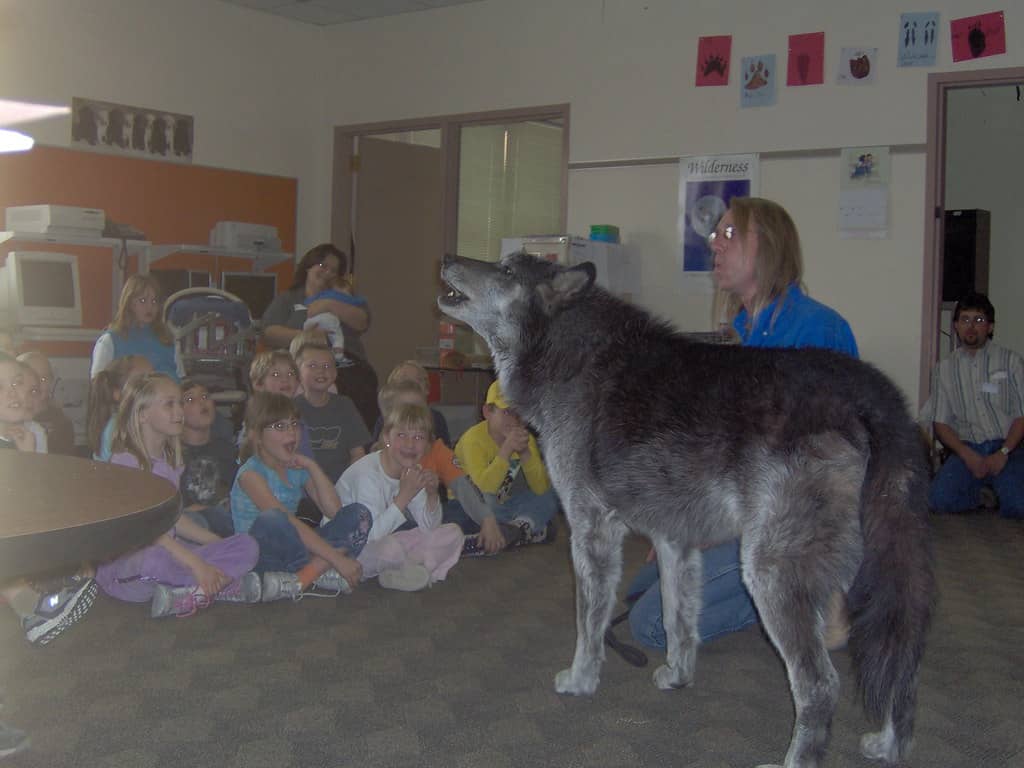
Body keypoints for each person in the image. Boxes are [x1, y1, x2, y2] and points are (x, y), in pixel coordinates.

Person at [625, 196, 858, 654]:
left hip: (797, 521)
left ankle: (808, 593)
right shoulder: (741, 332)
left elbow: (804, 468)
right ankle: (780, 596)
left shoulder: (815, 330)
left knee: (649, 625)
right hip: (751, 506)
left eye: (730, 234)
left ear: (768, 245)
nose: (715, 243)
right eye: (715, 234)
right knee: (643, 582)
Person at [93, 373, 262, 618]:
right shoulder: (125, 462)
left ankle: (193, 590)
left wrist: (214, 542)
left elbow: (173, 519)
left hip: (173, 554)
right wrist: (197, 564)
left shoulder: (170, 462)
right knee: (154, 560)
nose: (179, 411)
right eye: (169, 404)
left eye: (179, 403)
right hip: (128, 567)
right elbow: (147, 532)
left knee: (247, 545)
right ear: (142, 414)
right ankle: (213, 584)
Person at [229, 392, 370, 600]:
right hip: (262, 556)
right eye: (280, 427)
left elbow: (333, 510)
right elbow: (287, 522)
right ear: (257, 435)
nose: (292, 433)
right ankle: (320, 568)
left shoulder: (296, 467)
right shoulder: (251, 474)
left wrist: (312, 466)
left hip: (295, 551)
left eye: (294, 424)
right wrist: (337, 558)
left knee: (359, 514)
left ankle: (305, 575)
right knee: (274, 519)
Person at [0, 352, 98, 647]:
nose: (14, 393)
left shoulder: (28, 433)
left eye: (18, 383)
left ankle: (39, 603)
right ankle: (35, 611)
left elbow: (41, 501)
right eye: (1, 386)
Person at [338, 403, 464, 590]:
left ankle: (405, 570)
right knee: (391, 549)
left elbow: (429, 526)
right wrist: (404, 495)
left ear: (427, 445)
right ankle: (411, 568)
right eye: (401, 435)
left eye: (419, 437)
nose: (410, 444)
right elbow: (369, 536)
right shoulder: (368, 474)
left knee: (453, 533)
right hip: (349, 547)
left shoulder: (413, 471)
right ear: (387, 437)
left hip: (386, 540)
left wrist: (431, 495)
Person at [923, 291, 1024, 518]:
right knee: (938, 500)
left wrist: (1003, 452)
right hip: (968, 449)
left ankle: (1000, 490)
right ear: (956, 326)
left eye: (978, 320)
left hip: (1008, 448)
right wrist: (966, 454)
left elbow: (1022, 415)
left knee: (1019, 506)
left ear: (990, 327)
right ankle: (984, 495)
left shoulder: (1011, 361)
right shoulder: (945, 369)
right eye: (965, 320)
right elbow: (941, 423)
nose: (971, 327)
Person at [377, 379, 503, 555]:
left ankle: (458, 540)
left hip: (431, 520)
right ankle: (450, 544)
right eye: (406, 410)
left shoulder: (436, 449)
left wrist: (487, 519)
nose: (415, 416)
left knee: (483, 504)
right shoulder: (379, 456)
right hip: (391, 525)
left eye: (421, 409)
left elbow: (464, 486)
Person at [261, 243, 380, 428]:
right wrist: (307, 336)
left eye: (334, 271)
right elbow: (268, 332)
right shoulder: (289, 299)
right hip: (298, 362)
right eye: (323, 266)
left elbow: (362, 322)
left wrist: (329, 304)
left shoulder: (344, 296)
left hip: (345, 363)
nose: (328, 273)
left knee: (359, 385)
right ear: (309, 266)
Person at [454, 381, 559, 546]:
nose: (515, 420)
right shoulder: (472, 441)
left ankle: (514, 530)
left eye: (520, 414)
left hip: (506, 502)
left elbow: (540, 488)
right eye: (507, 412)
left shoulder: (526, 438)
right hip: (471, 504)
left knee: (553, 489)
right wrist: (506, 450)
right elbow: (482, 490)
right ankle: (528, 527)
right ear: (488, 412)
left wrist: (525, 454)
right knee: (485, 501)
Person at [292, 338, 370, 483]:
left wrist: (349, 484)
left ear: (335, 373)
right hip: (303, 484)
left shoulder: (345, 406)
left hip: (341, 483)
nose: (321, 371)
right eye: (313, 365)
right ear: (297, 373)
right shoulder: (290, 408)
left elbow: (358, 453)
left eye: (327, 366)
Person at [90, 273, 184, 381]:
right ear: (129, 302)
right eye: (143, 300)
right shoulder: (110, 340)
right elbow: (98, 384)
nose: (150, 307)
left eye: (154, 301)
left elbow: (182, 378)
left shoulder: (168, 339)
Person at [179, 378, 238, 536]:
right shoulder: (174, 453)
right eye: (190, 399)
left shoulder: (227, 449)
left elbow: (238, 492)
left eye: (205, 396)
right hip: (192, 526)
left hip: (228, 521)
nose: (201, 402)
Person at [87, 355, 154, 461]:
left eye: (153, 378)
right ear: (118, 394)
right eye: (142, 382)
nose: (154, 387)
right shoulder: (118, 427)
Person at [371, 360, 451, 448]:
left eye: (417, 381)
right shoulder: (385, 418)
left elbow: (445, 451)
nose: (411, 387)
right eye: (403, 382)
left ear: (427, 389)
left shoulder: (436, 418)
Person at [16, 351, 76, 455]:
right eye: (30, 378)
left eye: (43, 379)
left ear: (51, 382)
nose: (37, 384)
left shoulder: (61, 423)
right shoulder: (10, 417)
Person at [303, 272, 368, 366]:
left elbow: (309, 306)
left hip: (313, 322)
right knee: (337, 335)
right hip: (328, 321)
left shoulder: (319, 297)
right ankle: (339, 356)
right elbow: (359, 302)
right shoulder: (348, 299)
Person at [15, 362, 47, 454]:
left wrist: (28, 454)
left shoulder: (36, 431)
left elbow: (40, 467)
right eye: (22, 390)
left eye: (33, 391)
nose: (29, 399)